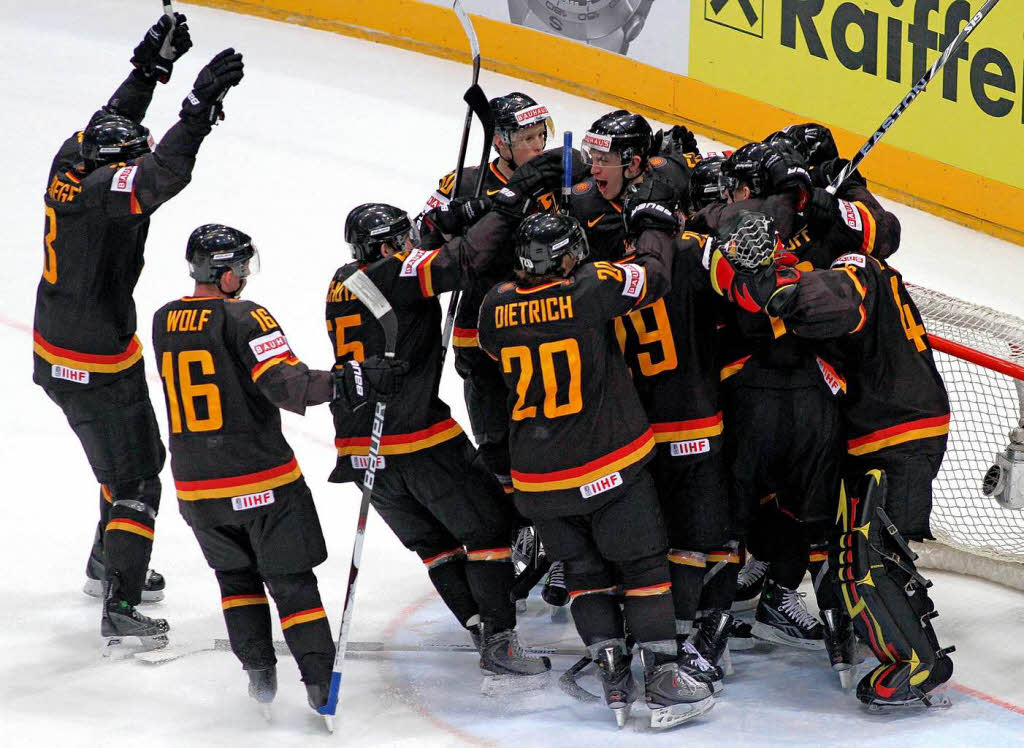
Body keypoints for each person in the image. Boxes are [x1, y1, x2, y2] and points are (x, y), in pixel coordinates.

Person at [31, 12, 243, 649]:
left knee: (123, 463)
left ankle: (107, 563)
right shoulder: (104, 195)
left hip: (64, 347)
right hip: (93, 362)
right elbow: (163, 174)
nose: (145, 153)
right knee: (137, 480)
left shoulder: (72, 161)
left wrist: (150, 66)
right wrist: (199, 109)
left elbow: (109, 118)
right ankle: (119, 606)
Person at [708, 210, 954, 708]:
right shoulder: (863, 264)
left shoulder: (853, 267)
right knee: (862, 554)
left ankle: (919, 664)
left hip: (896, 431)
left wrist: (774, 286)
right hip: (886, 429)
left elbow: (827, 305)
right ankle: (905, 639)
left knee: (869, 557)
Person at [478, 213, 714, 729]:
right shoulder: (591, 287)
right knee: (645, 568)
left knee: (585, 575)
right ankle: (664, 680)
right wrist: (653, 229)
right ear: (564, 256)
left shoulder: (494, 305)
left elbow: (494, 349)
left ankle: (612, 671)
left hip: (538, 481)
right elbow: (654, 275)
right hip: (606, 466)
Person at [151, 224, 390, 715]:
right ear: (224, 274)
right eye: (239, 266)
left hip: (197, 489)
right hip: (261, 479)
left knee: (236, 580)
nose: (243, 275)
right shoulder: (247, 318)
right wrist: (354, 378)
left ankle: (259, 674)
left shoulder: (163, 319)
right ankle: (320, 685)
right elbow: (290, 386)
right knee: (291, 580)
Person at [326, 203, 550, 691]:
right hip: (414, 440)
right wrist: (510, 201)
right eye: (402, 241)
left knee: (435, 545)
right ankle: (501, 639)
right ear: (386, 248)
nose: (409, 246)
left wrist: (437, 231)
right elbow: (465, 259)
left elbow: (424, 264)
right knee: (490, 527)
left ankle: (478, 626)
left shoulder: (342, 280)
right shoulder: (396, 273)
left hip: (361, 452)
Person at [614, 181, 748, 688]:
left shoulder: (612, 271)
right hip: (699, 420)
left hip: (641, 432)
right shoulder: (695, 250)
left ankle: (651, 637)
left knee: (662, 540)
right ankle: (693, 642)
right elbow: (746, 299)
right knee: (706, 537)